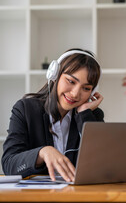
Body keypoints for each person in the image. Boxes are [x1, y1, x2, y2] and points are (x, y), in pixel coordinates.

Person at [1, 48, 104, 182]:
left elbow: (102, 165)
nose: (75, 94)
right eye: (71, 81)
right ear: (55, 75)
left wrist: (84, 115)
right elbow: (9, 165)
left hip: (77, 195)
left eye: (86, 88)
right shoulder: (25, 110)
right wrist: (42, 153)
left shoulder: (92, 115)